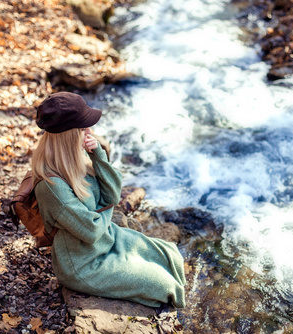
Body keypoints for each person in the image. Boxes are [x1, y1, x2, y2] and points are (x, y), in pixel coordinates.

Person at [31, 92, 186, 309]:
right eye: (84, 127)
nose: (89, 131)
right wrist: (107, 209)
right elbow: (92, 230)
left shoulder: (78, 158)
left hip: (107, 239)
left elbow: (112, 194)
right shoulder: (52, 187)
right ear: (69, 135)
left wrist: (98, 155)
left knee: (170, 254)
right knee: (164, 285)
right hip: (83, 263)